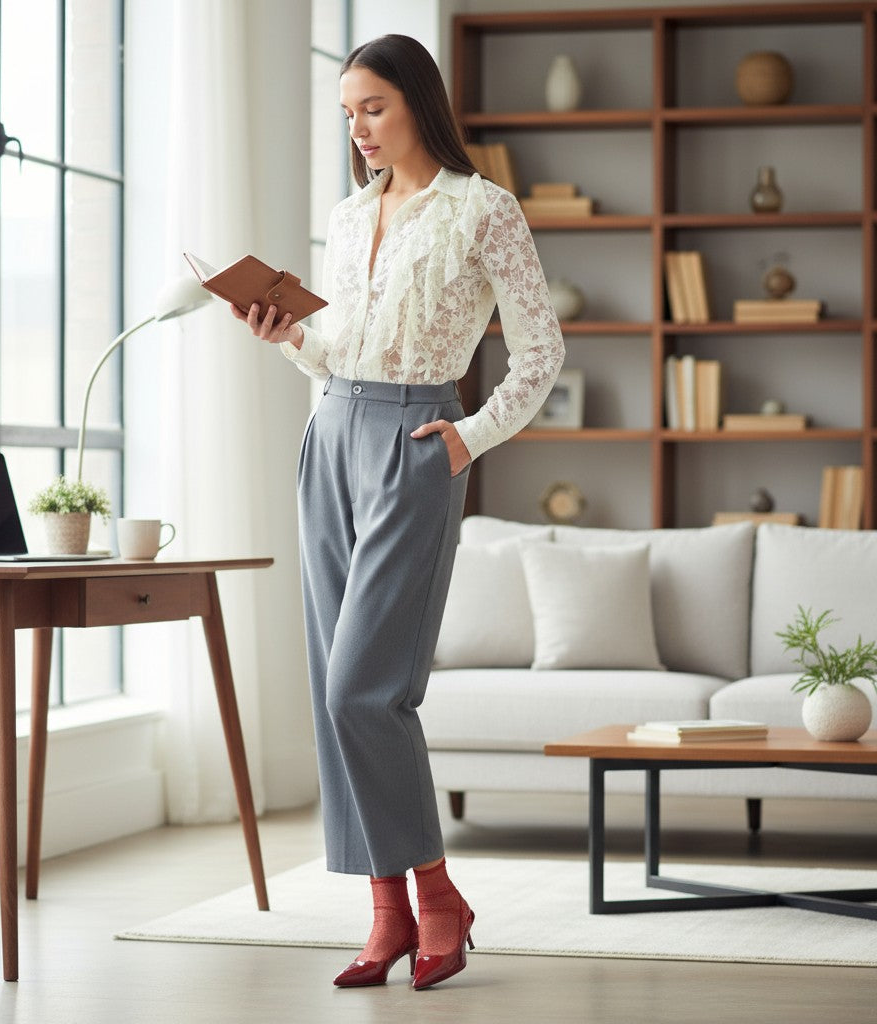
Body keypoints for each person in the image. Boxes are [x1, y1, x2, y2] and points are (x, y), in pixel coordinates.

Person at [231, 33, 564, 990]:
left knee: (364, 691)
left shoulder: (482, 209)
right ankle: (389, 914)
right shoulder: (347, 215)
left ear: (418, 101)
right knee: (330, 693)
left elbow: (540, 353)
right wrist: (291, 335)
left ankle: (438, 895)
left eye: (372, 107)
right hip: (330, 432)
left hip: (420, 441)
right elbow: (342, 344)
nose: (359, 128)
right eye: (347, 113)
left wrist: (469, 437)